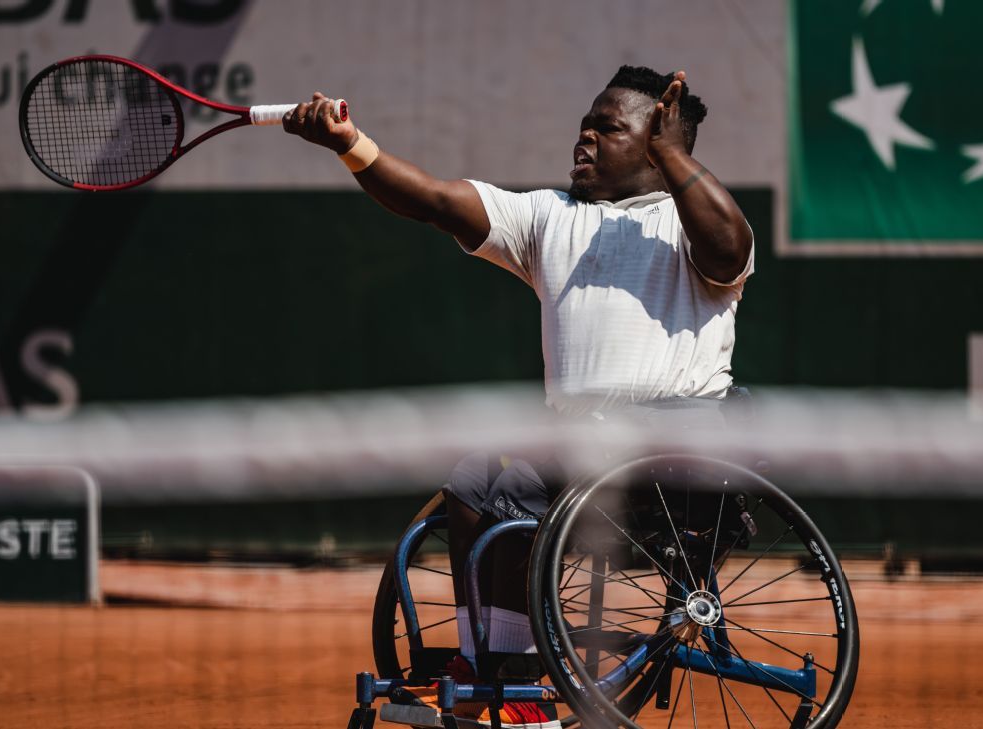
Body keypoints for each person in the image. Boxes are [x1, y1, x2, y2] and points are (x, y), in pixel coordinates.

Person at [284, 65, 753, 729]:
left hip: (675, 465)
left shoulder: (692, 224)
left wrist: (674, 155)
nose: (584, 138)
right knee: (476, 476)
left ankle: (519, 677)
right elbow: (435, 201)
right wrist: (350, 143)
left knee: (520, 481)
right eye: (584, 125)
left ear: (656, 145)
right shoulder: (551, 218)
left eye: (608, 127)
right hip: (580, 463)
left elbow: (729, 250)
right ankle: (500, 667)